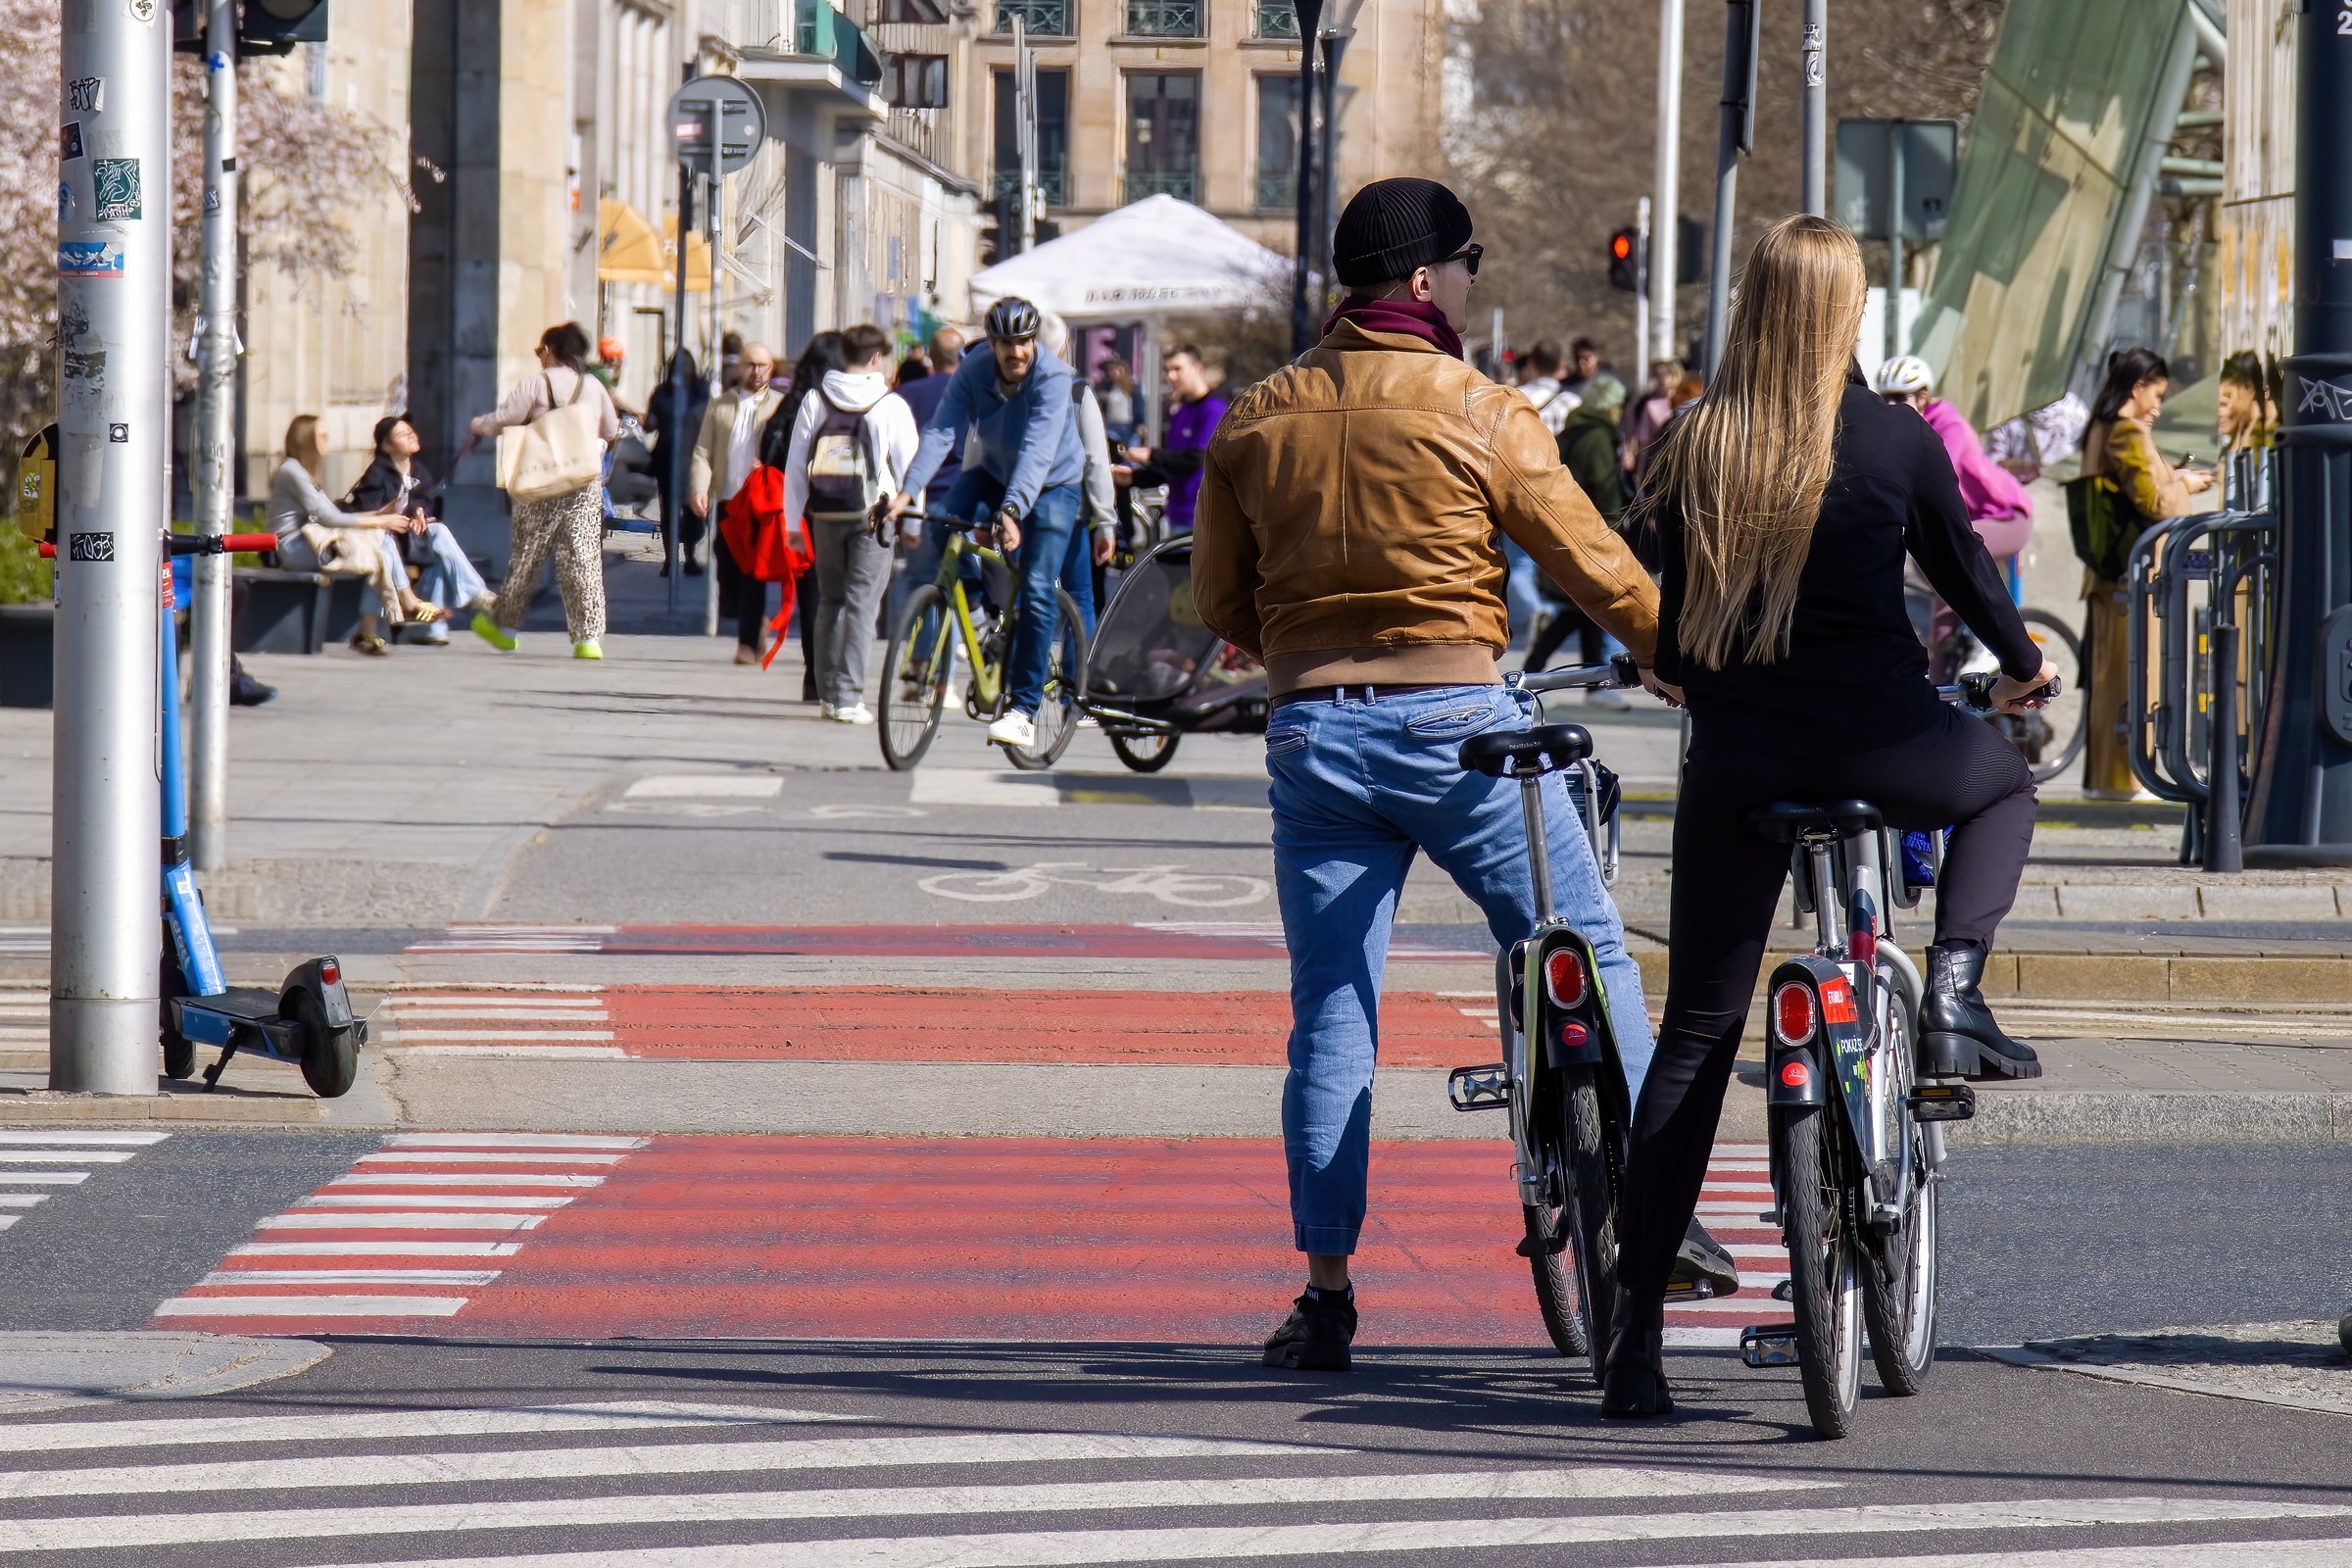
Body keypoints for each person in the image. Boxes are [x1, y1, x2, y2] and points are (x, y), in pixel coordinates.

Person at [1191, 176, 1668, 1375]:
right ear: (1420, 282)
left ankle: (1327, 1296)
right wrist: (1677, 655)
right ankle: (1663, 1211)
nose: (1468, 283)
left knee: (1334, 1018)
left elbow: (1214, 600)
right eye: (1464, 265)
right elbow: (1594, 570)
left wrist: (1299, 645)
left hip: (1312, 734)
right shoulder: (1482, 408)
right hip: (1458, 722)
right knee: (1590, 942)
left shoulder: (1258, 415)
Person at [1607, 215, 2058, 1420]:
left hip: (1742, 766)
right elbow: (1968, 575)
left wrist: (1677, 667)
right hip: (1890, 746)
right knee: (2008, 783)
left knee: (1697, 1035)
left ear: (1753, 306)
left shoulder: (1699, 440)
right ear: (1848, 313)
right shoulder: (1894, 438)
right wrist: (2021, 669)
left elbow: (1657, 603)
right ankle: (1954, 988)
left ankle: (1634, 1338)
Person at [885, 296, 1091, 752]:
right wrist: (905, 493)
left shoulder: (1054, 379)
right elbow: (941, 430)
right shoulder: (974, 369)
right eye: (1005, 344)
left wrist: (1012, 511)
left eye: (1023, 343)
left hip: (1054, 484)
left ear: (1033, 342)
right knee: (940, 524)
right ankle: (977, 618)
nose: (1015, 353)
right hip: (995, 473)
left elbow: (1039, 449)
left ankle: (1024, 711)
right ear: (992, 343)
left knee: (1037, 586)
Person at [2077, 347, 2213, 800]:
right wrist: (2185, 484)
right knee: (2131, 677)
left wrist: (2168, 477)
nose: (2157, 406)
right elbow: (2154, 502)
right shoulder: (2126, 433)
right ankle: (2125, 779)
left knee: (2108, 676)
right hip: (2128, 579)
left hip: (2109, 574)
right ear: (2135, 388)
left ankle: (2109, 778)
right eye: (2154, 395)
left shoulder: (2101, 428)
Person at [778, 323, 921, 722]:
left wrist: (793, 521)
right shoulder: (890, 404)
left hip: (824, 513)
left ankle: (827, 692)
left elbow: (795, 464)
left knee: (830, 600)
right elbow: (911, 467)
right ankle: (848, 697)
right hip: (873, 516)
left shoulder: (815, 398)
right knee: (862, 605)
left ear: (843, 354)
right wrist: (913, 524)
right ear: (877, 358)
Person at [1873, 355, 2034, 678]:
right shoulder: (1906, 429)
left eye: (1900, 398)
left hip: (2007, 515)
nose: (1891, 406)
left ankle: (1989, 641)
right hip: (1964, 523)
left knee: (1957, 558)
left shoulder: (1949, 427)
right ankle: (1947, 695)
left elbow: (1925, 482)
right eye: (1886, 398)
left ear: (1922, 397)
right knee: (1941, 635)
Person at [469, 322, 620, 660]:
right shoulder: (593, 386)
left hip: (539, 483)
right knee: (582, 559)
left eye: (541, 351)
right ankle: (588, 640)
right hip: (582, 483)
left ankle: (506, 629)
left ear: (549, 350)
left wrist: (479, 425)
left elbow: (506, 419)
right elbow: (611, 429)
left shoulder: (537, 384)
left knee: (527, 557)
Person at [267, 415, 446, 657]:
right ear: (306, 439)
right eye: (321, 435)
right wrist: (381, 520)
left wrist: (380, 513)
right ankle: (407, 602)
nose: (327, 440)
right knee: (380, 545)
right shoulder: (292, 471)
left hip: (312, 542)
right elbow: (329, 518)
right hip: (294, 548)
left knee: (379, 552)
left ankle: (367, 631)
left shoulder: (302, 471)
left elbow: (329, 515)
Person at [344, 414, 495, 644]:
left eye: (410, 432)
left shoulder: (417, 468)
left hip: (408, 538)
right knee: (438, 552)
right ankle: (471, 599)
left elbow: (424, 497)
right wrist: (390, 512)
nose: (411, 436)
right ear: (386, 445)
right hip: (383, 539)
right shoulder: (378, 473)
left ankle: (435, 627)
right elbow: (366, 510)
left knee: (439, 535)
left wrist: (418, 511)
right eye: (402, 435)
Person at [1528, 375, 1630, 681]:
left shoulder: (1573, 430)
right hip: (1592, 527)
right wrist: (1613, 528)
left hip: (1570, 523)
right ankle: (1536, 667)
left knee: (1586, 609)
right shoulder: (1597, 436)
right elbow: (1604, 487)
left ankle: (1593, 681)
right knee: (1580, 608)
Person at [690, 342, 786, 667]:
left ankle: (747, 643)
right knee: (726, 568)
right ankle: (753, 621)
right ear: (739, 367)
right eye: (751, 364)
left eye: (763, 365)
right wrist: (699, 488)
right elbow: (703, 451)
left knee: (754, 573)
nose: (756, 371)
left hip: (760, 501)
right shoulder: (719, 407)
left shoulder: (780, 407)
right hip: (729, 499)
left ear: (771, 369)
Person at [763, 334, 844, 692]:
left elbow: (769, 448)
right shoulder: (848, 400)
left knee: (813, 592)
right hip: (846, 505)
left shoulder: (795, 402)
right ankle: (837, 672)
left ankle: (813, 674)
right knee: (845, 591)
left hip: (802, 507)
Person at [1123, 345, 1227, 536]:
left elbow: (1196, 460)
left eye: (1177, 369)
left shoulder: (1214, 408)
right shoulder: (1180, 412)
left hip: (1204, 517)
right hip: (1178, 516)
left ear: (1197, 367)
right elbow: (1172, 467)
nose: (1171, 376)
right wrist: (1133, 477)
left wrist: (1151, 453)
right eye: (1168, 370)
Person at [648, 349, 711, 578]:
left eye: (687, 364)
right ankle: (669, 560)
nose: (682, 369)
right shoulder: (662, 394)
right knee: (669, 511)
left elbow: (708, 423)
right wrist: (649, 421)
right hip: (668, 456)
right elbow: (650, 422)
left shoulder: (700, 393)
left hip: (693, 457)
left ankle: (691, 556)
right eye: (678, 364)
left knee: (694, 511)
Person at [1619, 357, 1682, 492]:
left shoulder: (1683, 399)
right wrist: (1631, 454)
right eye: (1657, 375)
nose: (1661, 379)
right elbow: (1641, 438)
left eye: (1665, 374)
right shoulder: (1647, 403)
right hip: (1657, 456)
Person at [2217, 350, 2273, 456]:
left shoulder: (2263, 437)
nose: (2219, 413)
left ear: (2248, 390)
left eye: (2224, 403)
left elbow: (2235, 469)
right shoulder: (2240, 432)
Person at [1562, 336, 1626, 412]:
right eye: (1577, 359)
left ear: (1596, 357)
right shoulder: (1566, 387)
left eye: (1586, 359)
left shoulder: (1611, 383)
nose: (1581, 364)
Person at [1095, 355, 1140, 446]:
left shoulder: (1131, 387)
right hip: (1111, 424)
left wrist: (1139, 425)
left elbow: (1138, 407)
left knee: (1126, 449)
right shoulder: (1107, 386)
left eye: (1118, 370)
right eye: (1111, 370)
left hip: (1126, 424)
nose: (1114, 373)